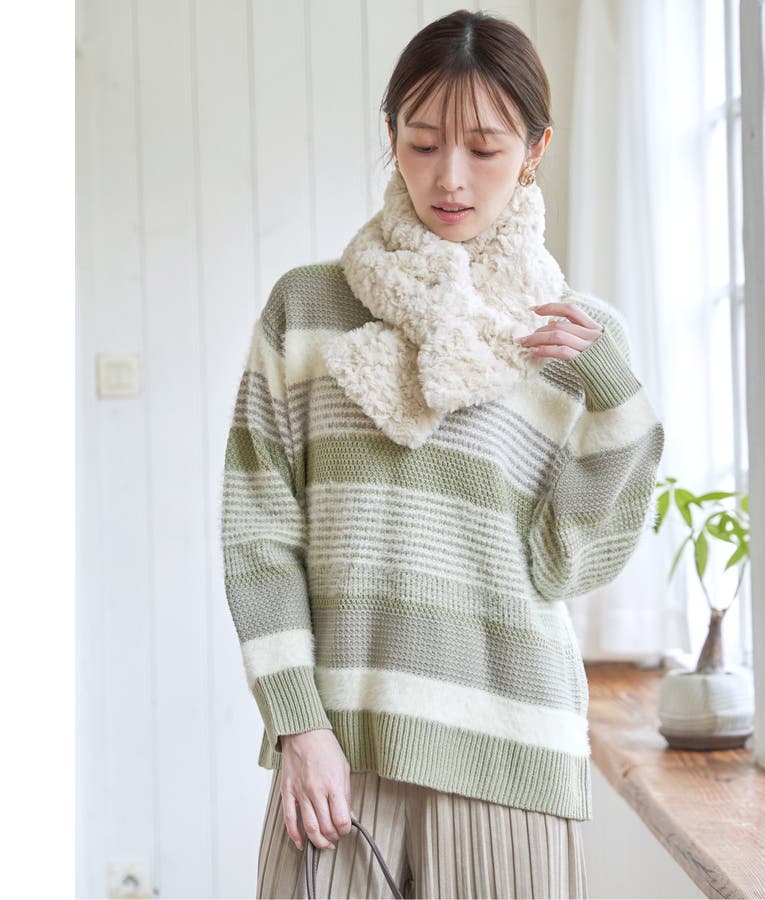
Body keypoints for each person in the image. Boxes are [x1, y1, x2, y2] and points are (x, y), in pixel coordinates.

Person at [220, 9, 665, 899]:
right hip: (335, 754)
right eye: (422, 143)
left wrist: (616, 400)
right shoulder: (305, 311)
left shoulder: (575, 339)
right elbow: (258, 537)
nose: (449, 177)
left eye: (484, 148)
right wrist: (298, 725)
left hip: (510, 753)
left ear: (535, 150)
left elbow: (566, 564)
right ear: (392, 136)